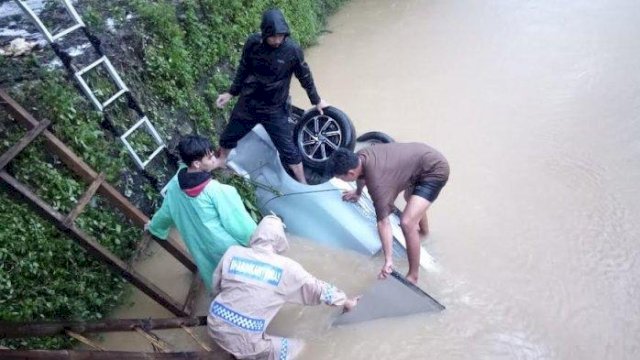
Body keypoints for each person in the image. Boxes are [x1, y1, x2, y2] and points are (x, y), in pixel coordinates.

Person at [207, 215, 359, 359]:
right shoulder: (287, 268)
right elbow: (320, 289)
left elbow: (215, 286)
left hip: (213, 322)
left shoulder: (233, 252)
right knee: (299, 347)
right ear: (280, 239)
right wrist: (346, 302)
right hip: (243, 340)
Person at [215, 8, 329, 184]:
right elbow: (243, 68)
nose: (277, 40)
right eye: (273, 36)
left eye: (281, 36)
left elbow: (304, 76)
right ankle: (221, 161)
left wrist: (317, 100)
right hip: (249, 102)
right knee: (228, 136)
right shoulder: (253, 43)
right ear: (264, 33)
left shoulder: (292, 50)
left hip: (274, 108)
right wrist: (231, 92)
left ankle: (303, 182)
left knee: (288, 149)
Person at [325, 143, 450, 284]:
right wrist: (358, 192)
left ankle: (413, 275)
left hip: (435, 169)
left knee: (407, 223)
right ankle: (424, 233)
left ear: (350, 173)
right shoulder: (361, 156)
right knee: (410, 199)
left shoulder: (378, 183)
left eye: (341, 178)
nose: (341, 180)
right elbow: (361, 177)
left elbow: (384, 223)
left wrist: (388, 260)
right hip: (422, 159)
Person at [147, 135, 257, 290]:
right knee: (248, 286)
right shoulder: (217, 191)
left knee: (220, 286)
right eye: (210, 157)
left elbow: (166, 213)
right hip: (228, 250)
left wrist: (154, 227)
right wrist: (258, 242)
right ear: (197, 164)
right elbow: (239, 225)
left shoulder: (174, 187)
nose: (214, 160)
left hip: (202, 251)